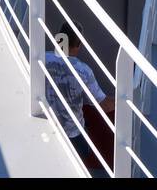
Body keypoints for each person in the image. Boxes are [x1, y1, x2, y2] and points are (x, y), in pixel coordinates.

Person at [45, 23, 115, 167]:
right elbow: (105, 106)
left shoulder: (42, 58)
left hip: (46, 127)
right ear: (78, 45)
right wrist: (124, 101)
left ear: (58, 38)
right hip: (73, 135)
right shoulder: (83, 70)